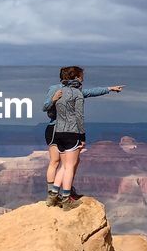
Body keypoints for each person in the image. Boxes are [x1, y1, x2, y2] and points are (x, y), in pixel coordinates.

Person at [45, 66, 123, 209]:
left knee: (63, 164)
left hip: (58, 132)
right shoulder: (73, 93)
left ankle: (53, 195)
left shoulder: (62, 92)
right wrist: (82, 136)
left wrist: (109, 88)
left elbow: (89, 92)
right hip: (71, 132)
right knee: (68, 166)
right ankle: (66, 198)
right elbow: (79, 116)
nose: (83, 78)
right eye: (81, 76)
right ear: (75, 77)